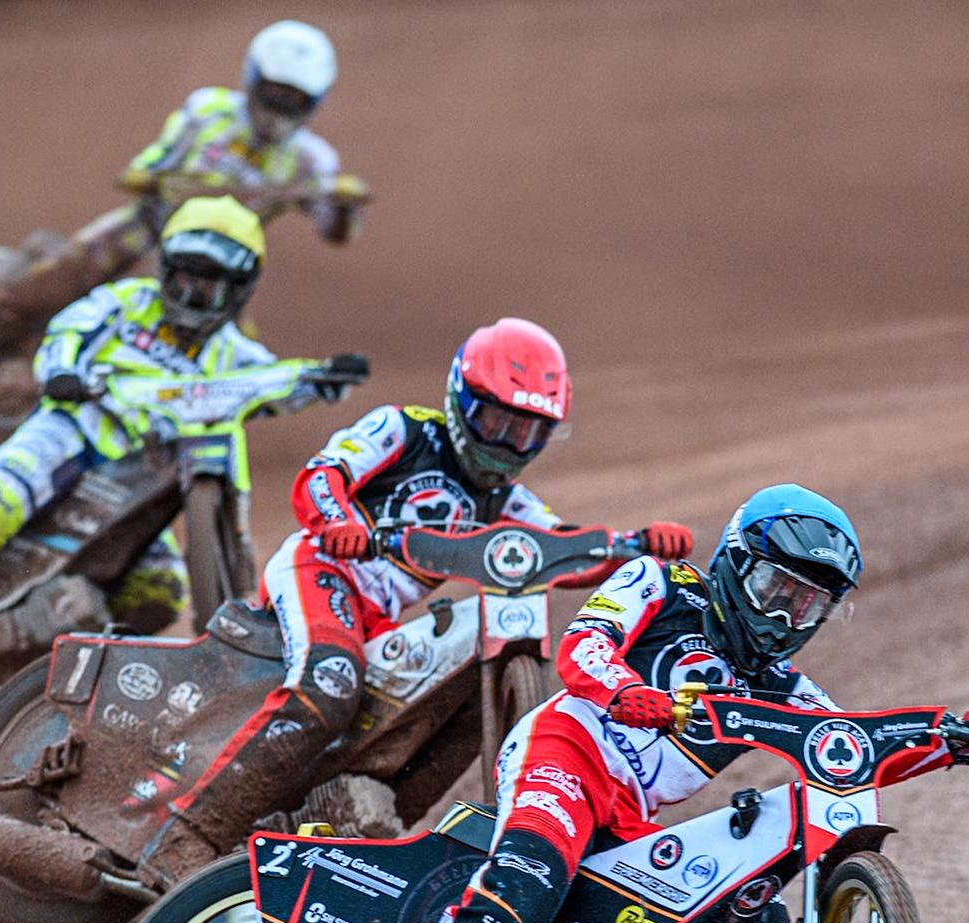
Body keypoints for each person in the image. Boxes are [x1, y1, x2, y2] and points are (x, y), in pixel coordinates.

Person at [315, 483, 969, 923]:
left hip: (629, 812)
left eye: (807, 606)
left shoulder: (786, 689)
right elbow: (583, 647)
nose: (785, 617)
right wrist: (626, 689)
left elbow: (846, 751)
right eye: (776, 590)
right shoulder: (662, 584)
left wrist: (949, 738)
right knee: (526, 885)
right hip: (565, 752)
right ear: (734, 564)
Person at [127, 316, 696, 878]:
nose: (505, 444)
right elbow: (323, 473)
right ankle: (186, 836)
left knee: (433, 702)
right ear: (461, 400)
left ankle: (356, 828)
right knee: (329, 686)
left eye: (524, 432)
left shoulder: (508, 502)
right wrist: (339, 521)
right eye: (496, 420)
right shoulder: (402, 430)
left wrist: (636, 548)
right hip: (321, 571)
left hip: (376, 622)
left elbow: (558, 549)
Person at [0, 195, 364, 693]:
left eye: (209, 289)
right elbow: (67, 332)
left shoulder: (233, 353)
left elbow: (269, 385)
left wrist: (320, 377)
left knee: (158, 593)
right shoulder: (122, 304)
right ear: (163, 270)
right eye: (184, 282)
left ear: (241, 290)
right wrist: (62, 372)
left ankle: (39, 670)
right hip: (70, 436)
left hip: (140, 484)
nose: (191, 299)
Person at [0, 19, 367, 411]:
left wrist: (340, 207)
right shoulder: (208, 112)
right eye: (272, 92)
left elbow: (335, 232)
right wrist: (183, 182)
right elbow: (143, 170)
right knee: (56, 279)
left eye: (293, 99)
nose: (278, 109)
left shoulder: (314, 162)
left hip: (216, 264)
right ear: (251, 80)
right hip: (144, 230)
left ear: (313, 103)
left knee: (216, 343)